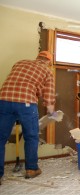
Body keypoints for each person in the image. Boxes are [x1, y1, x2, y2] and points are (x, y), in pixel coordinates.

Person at [0, 51, 56, 182]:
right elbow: (49, 96)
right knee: (31, 137)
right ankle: (31, 169)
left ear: (38, 57)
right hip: (26, 103)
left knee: (0, 138)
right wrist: (52, 112)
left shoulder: (20, 63)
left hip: (4, 100)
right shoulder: (47, 71)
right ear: (49, 62)